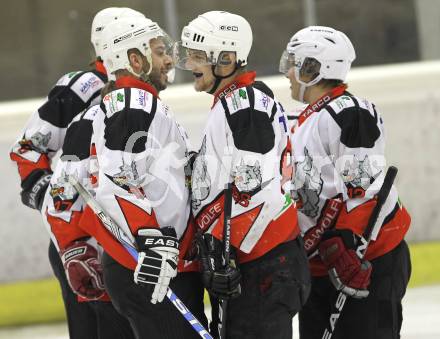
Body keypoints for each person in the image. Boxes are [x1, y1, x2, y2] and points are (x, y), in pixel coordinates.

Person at [65, 15, 208, 339]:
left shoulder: (140, 103)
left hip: (155, 262)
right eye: (159, 51)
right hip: (150, 263)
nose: (169, 59)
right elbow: (120, 176)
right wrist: (150, 240)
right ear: (134, 58)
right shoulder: (131, 101)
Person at [175, 11, 311, 339]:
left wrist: (224, 254)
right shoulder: (236, 102)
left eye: (196, 56)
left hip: (262, 263)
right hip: (256, 262)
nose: (189, 64)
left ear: (225, 59)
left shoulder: (245, 106)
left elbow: (256, 189)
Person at [10, 8, 143, 339]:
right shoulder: (85, 86)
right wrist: (65, 221)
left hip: (121, 242)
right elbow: (28, 149)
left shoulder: (139, 92)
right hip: (84, 244)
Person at [279, 26, 412, 339]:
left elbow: (365, 189)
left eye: (294, 63)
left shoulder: (348, 113)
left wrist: (348, 246)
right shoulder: (308, 118)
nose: (288, 72)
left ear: (312, 68)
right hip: (325, 264)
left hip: (366, 260)